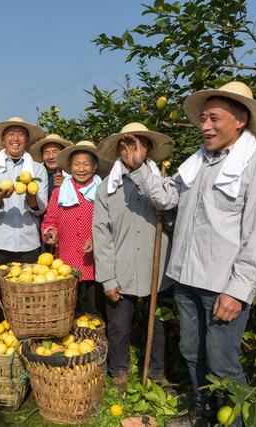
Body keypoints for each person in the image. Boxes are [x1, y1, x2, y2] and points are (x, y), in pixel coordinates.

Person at [121, 82, 256, 427]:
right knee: (193, 355)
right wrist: (140, 168)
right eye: (203, 118)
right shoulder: (197, 163)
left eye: (214, 118)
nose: (205, 126)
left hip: (222, 286)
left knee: (223, 364)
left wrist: (238, 290)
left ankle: (235, 423)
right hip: (185, 277)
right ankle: (204, 415)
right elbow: (168, 198)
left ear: (241, 120)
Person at [93, 123, 175, 391]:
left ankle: (156, 371)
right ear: (118, 151)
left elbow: (174, 217)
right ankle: (119, 371)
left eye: (138, 144)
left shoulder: (162, 182)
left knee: (159, 324)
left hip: (157, 268)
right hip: (122, 267)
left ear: (148, 148)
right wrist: (107, 277)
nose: (131, 151)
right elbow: (101, 235)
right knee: (118, 325)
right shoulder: (107, 188)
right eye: (125, 145)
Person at [41, 140, 110, 316]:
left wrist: (97, 238)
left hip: (95, 259)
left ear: (94, 167)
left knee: (96, 307)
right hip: (67, 257)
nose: (81, 169)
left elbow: (111, 221)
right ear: (70, 167)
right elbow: (50, 219)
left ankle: (97, 340)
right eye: (76, 164)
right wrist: (50, 232)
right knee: (69, 306)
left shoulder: (103, 191)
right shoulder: (60, 191)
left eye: (86, 164)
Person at [0, 117, 48, 264]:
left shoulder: (38, 169)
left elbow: (41, 209)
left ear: (27, 139)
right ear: (3, 139)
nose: (16, 138)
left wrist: (31, 198)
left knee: (27, 286)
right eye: (11, 134)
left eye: (21, 134)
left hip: (28, 243)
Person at [30, 133, 73, 201]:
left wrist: (66, 185)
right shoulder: (35, 173)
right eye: (46, 153)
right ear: (42, 156)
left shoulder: (73, 174)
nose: (51, 157)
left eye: (55, 152)